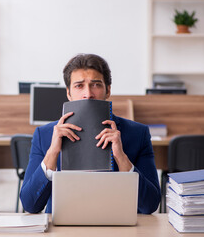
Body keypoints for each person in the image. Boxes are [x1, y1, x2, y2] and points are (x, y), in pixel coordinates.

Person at [20, 54, 161, 214]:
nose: (88, 94)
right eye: (79, 86)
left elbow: (150, 205)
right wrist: (52, 153)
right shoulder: (44, 135)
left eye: (96, 85)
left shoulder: (138, 133)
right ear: (68, 93)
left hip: (116, 225)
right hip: (64, 227)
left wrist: (121, 158)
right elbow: (30, 205)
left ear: (108, 90)